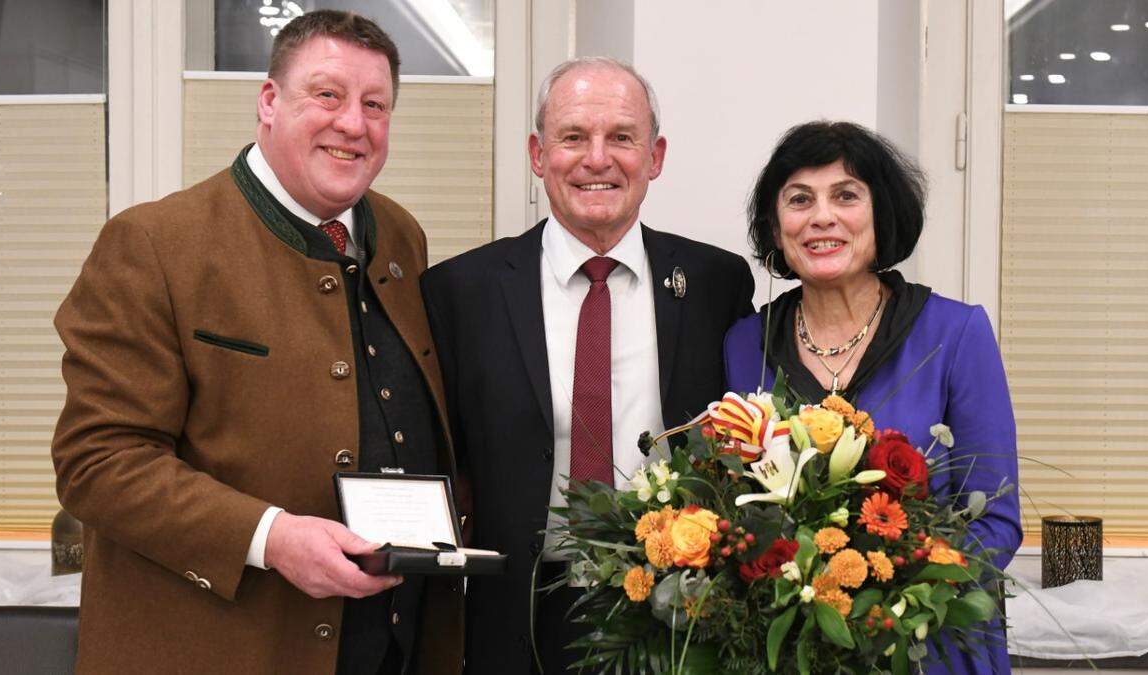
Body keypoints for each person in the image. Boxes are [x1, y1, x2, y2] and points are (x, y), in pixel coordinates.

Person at [51, 10, 462, 674]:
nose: (353, 123)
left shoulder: (400, 235)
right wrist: (270, 537)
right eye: (327, 94)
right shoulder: (156, 244)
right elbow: (97, 461)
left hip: (391, 648)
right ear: (269, 102)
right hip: (220, 651)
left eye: (374, 104)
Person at [420, 57, 754, 674]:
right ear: (537, 153)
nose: (597, 158)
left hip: (677, 611)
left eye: (621, 137)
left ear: (654, 156)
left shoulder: (716, 283)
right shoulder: (460, 291)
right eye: (573, 136)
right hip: (513, 611)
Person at [724, 121, 1021, 674]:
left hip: (927, 646)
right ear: (775, 224)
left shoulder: (956, 334)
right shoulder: (746, 342)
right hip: (787, 652)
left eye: (846, 196)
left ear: (881, 214)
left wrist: (888, 603)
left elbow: (996, 521)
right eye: (798, 199)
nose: (821, 217)